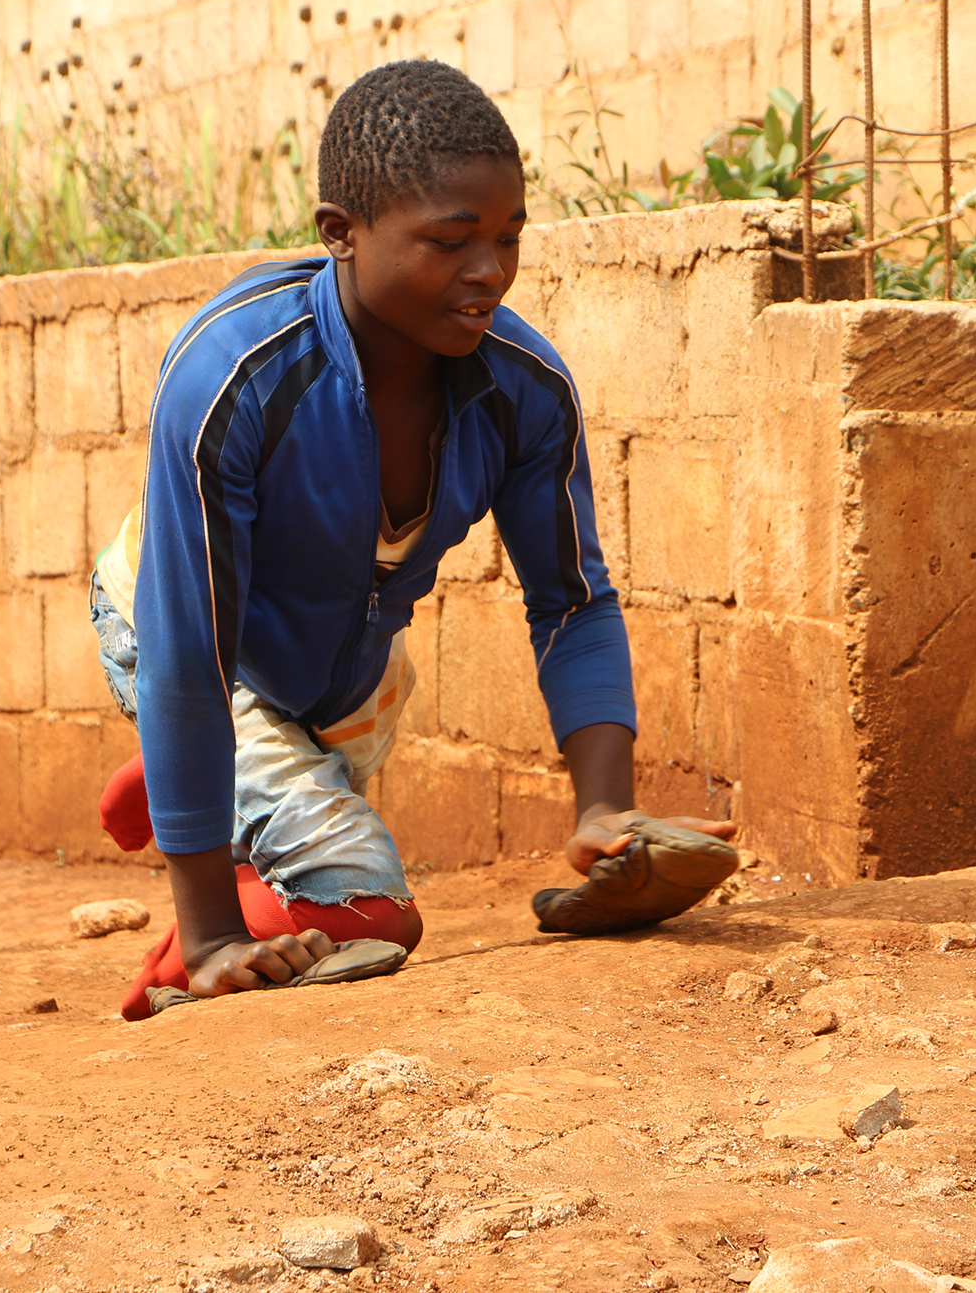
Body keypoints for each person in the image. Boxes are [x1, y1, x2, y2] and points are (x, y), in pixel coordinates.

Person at [89, 60, 736, 1021]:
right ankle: (194, 896)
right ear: (341, 234)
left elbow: (572, 598)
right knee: (369, 906)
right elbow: (190, 649)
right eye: (450, 240)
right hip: (183, 635)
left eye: (509, 236)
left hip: (347, 672)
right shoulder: (234, 376)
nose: (490, 271)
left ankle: (215, 786)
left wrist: (603, 808)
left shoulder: (523, 389)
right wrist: (216, 932)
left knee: (327, 757)